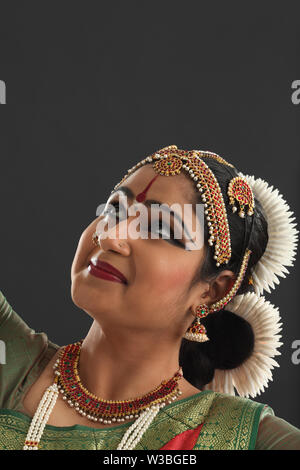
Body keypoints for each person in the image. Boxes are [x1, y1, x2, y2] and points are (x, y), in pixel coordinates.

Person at [0, 144, 300, 450]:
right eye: (114, 210)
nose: (110, 236)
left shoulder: (240, 437)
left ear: (212, 291)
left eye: (158, 229)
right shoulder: (9, 364)